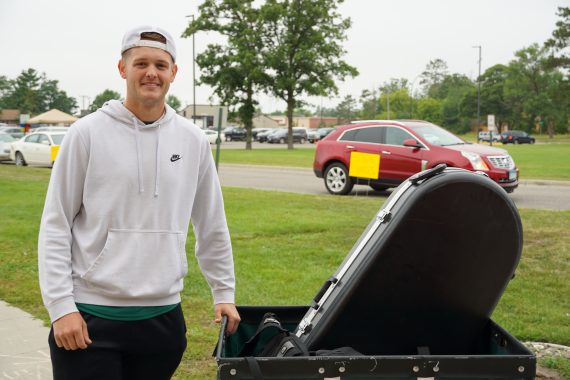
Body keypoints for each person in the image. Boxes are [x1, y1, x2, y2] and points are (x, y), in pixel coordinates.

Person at [38, 25, 240, 380]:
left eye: (161, 65)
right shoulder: (85, 134)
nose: (151, 73)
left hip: (162, 319)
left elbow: (211, 224)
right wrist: (60, 307)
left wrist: (223, 291)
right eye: (141, 63)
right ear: (122, 69)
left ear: (173, 73)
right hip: (88, 316)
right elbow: (56, 223)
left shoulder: (193, 140)